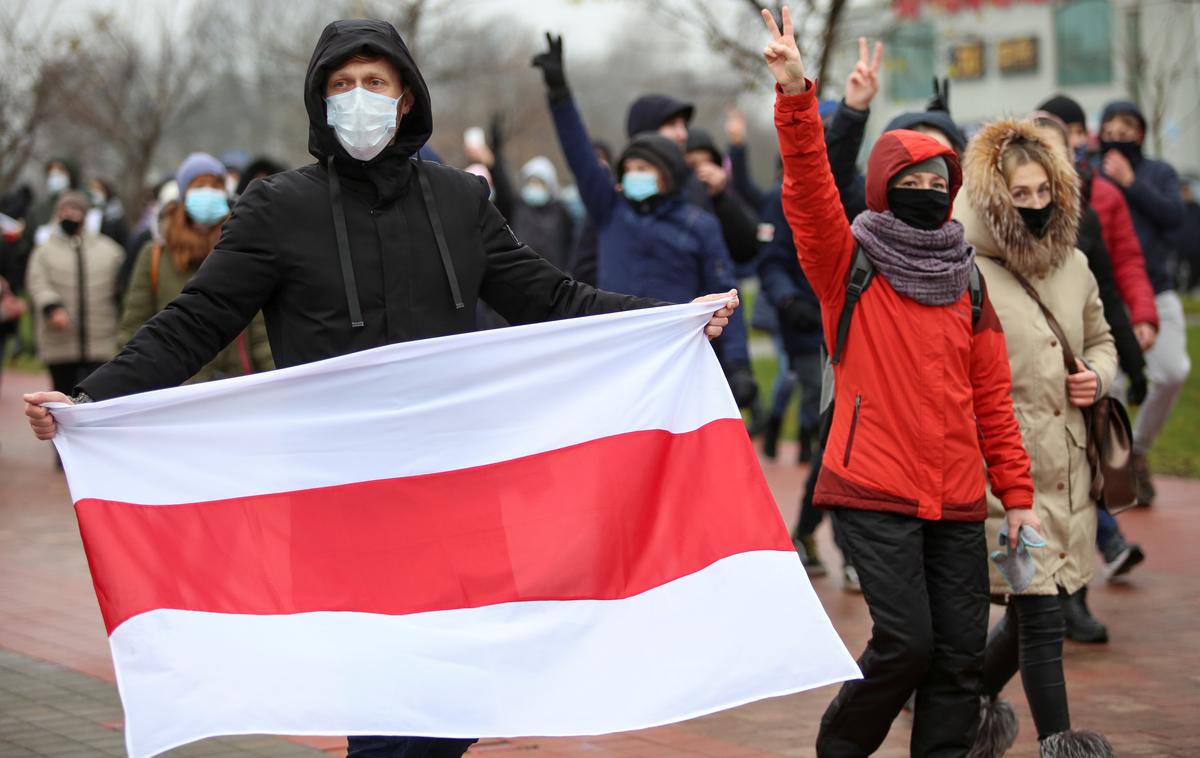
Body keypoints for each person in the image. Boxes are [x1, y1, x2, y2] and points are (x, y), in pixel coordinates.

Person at [23, 20, 737, 758]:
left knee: (457, 704)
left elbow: (552, 299)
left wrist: (669, 322)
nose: (357, 98)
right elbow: (196, 320)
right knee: (387, 710)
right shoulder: (276, 209)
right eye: (339, 85)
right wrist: (92, 399)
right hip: (342, 496)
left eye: (374, 82)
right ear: (318, 102)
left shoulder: (462, 202)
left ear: (405, 101)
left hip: (454, 490)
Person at [760, 11, 1035, 756]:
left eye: (934, 180)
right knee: (905, 646)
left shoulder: (966, 279)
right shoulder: (847, 259)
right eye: (908, 179)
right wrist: (796, 94)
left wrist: (1015, 498)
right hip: (872, 487)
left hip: (953, 495)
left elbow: (991, 401)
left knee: (957, 662)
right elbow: (811, 189)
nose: (923, 188)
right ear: (883, 187)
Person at [957, 116, 1116, 752]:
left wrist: (1098, 379)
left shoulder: (1074, 264)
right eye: (1018, 195)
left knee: (1030, 614)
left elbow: (1101, 340)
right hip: (1003, 472)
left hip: (1068, 470)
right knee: (1042, 611)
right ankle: (1062, 745)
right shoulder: (966, 270)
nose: (1034, 205)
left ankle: (966, 706)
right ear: (993, 198)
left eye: (1043, 191)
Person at [534, 33, 757, 410]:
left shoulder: (699, 224)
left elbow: (724, 294)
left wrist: (738, 366)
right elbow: (580, 155)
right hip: (617, 357)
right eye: (629, 168)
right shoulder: (611, 212)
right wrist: (559, 94)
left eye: (644, 168)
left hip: (677, 362)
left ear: (668, 173)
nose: (633, 175)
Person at [1030, 112, 1145, 642]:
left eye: (1061, 156)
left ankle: (1073, 597)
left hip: (1076, 395)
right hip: (1026, 398)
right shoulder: (989, 239)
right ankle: (1030, 605)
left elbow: (1106, 311)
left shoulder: (1085, 225)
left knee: (1082, 494)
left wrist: (1112, 371)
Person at [1099, 99, 1189, 506]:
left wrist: (1132, 182)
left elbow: (1175, 217)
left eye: (1126, 128)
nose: (1118, 135)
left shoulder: (1158, 172)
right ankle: (1119, 467)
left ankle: (1138, 450)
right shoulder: (1093, 177)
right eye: (1110, 128)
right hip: (1109, 297)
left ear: (1140, 133)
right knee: (1111, 382)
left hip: (1156, 286)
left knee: (1173, 372)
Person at [119, 153, 273, 383]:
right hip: (177, 389)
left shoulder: (242, 247)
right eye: (199, 185)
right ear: (183, 194)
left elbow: (261, 333)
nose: (208, 192)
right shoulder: (155, 255)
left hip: (237, 386)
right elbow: (133, 327)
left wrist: (278, 379)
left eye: (216, 185)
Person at [25, 191, 124, 401]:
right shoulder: (43, 251)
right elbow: (37, 282)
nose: (69, 215)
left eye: (75, 210)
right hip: (59, 339)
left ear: (85, 215)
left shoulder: (109, 250)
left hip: (100, 339)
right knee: (61, 396)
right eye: (64, 210)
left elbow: (124, 284)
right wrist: (52, 307)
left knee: (97, 397)